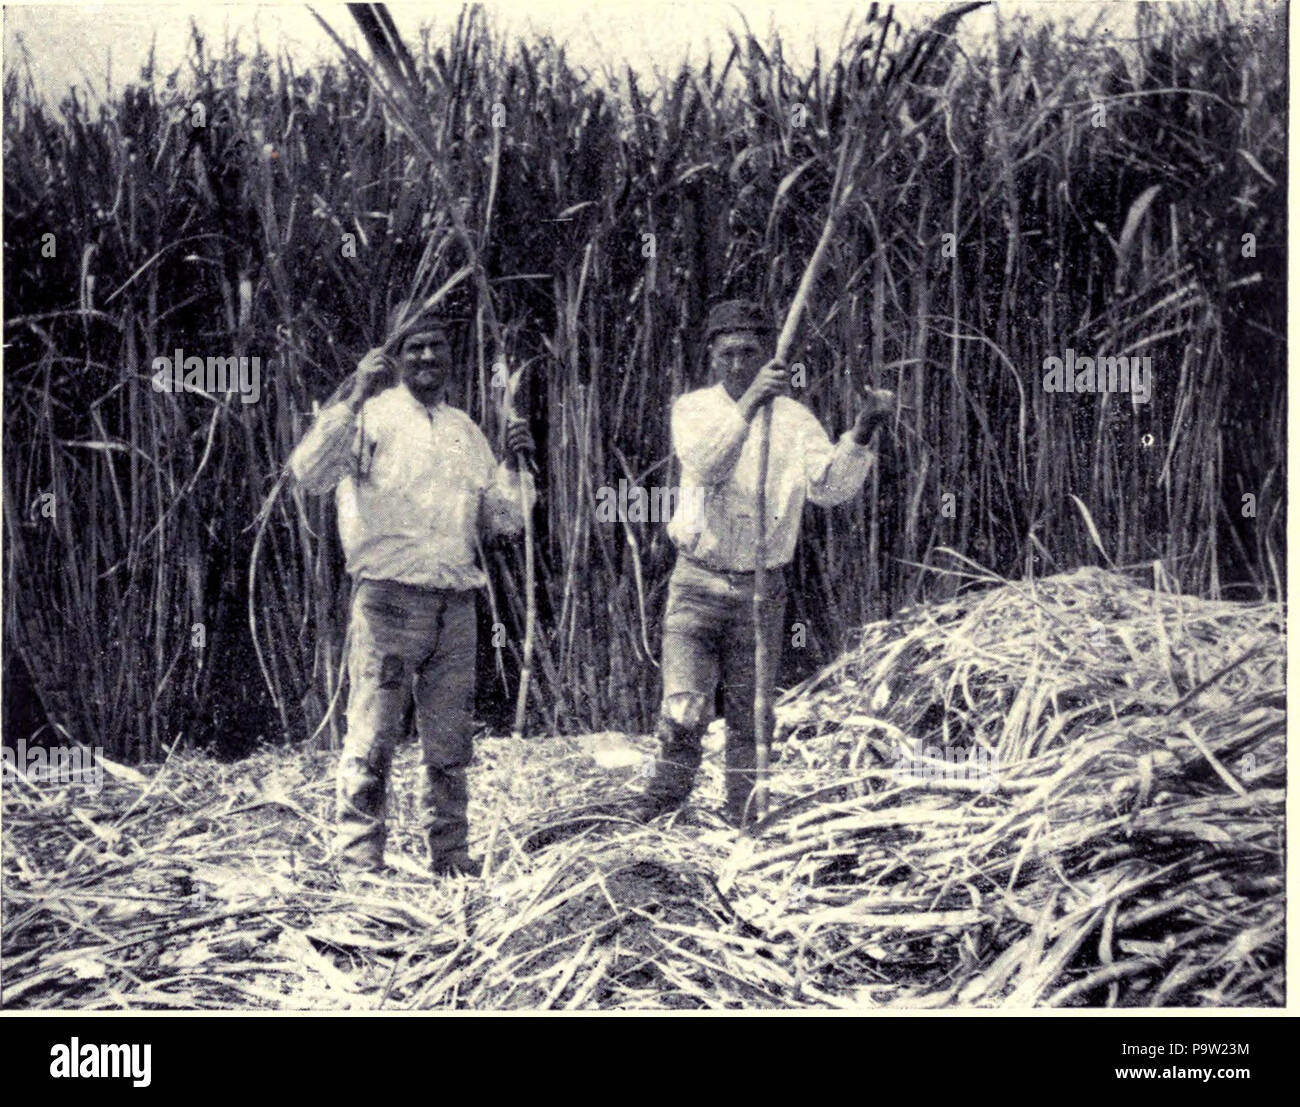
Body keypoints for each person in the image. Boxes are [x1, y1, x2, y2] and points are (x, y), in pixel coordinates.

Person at [288, 303, 535, 878]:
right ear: (395, 357)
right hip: (388, 602)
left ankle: (450, 860)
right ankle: (359, 862)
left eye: (437, 346)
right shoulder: (368, 417)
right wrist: (352, 395)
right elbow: (309, 473)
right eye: (414, 346)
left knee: (449, 746)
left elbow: (503, 522)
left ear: (450, 357)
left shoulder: (463, 430)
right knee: (373, 736)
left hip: (455, 606)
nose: (426, 356)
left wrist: (517, 462)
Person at [637, 299, 894, 828]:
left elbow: (829, 488)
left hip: (761, 592)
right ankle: (663, 815)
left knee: (753, 720)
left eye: (749, 354)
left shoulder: (795, 421)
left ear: (767, 356)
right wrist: (750, 403)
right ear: (711, 357)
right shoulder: (694, 410)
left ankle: (746, 823)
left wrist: (864, 429)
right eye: (728, 354)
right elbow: (708, 464)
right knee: (684, 709)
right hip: (696, 583)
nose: (738, 364)